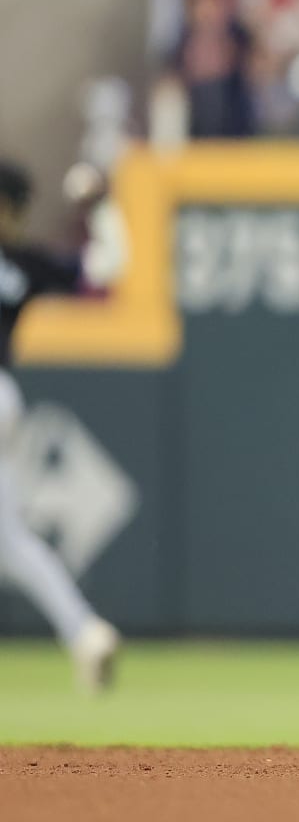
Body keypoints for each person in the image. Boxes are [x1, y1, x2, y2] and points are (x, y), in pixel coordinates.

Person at [0, 159, 124, 693]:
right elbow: (106, 276)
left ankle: (83, 631)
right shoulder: (22, 262)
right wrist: (102, 211)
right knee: (9, 542)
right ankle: (85, 632)